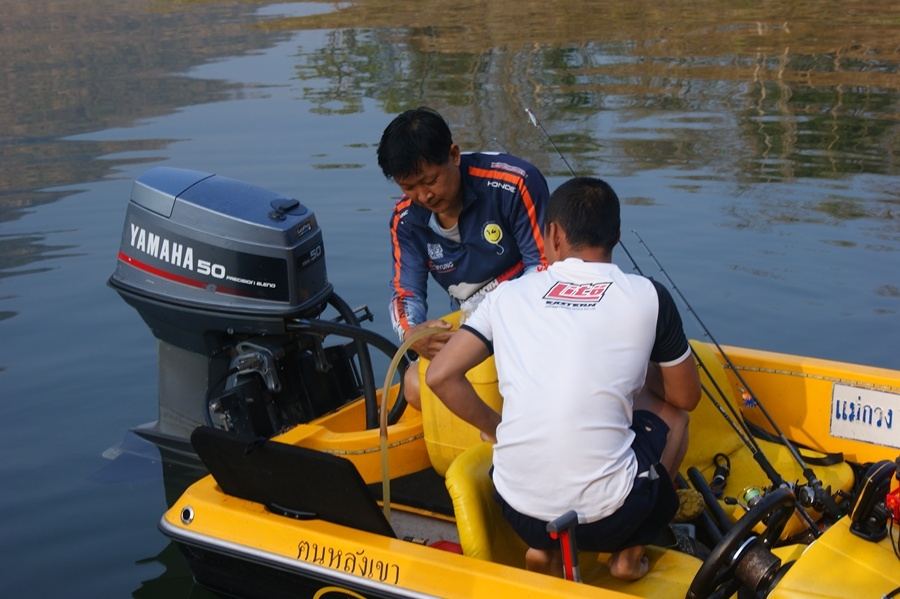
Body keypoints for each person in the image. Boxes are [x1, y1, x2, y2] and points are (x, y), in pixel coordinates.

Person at [426, 177, 701, 580]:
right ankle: (628, 552)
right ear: (617, 236)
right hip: (612, 518)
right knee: (677, 422)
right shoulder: (648, 295)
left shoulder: (506, 295)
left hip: (518, 511)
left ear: (553, 234)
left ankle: (543, 550)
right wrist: (639, 379)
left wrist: (495, 429)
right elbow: (685, 397)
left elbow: (439, 375)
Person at [377, 107, 549, 409]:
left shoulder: (514, 183)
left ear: (454, 155)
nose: (424, 196)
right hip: (472, 326)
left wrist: (495, 318)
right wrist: (412, 333)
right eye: (409, 187)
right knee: (414, 386)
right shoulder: (405, 220)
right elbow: (406, 293)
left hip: (531, 319)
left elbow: (545, 268)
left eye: (430, 180)